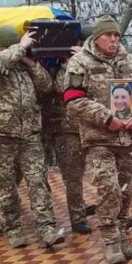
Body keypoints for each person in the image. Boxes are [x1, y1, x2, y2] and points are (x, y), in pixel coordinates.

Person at [65, 16, 132, 264]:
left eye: (117, 35)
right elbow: (73, 100)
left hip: (128, 140)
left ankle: (123, 237)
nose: (113, 39)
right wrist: (107, 119)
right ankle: (111, 242)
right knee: (109, 190)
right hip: (100, 141)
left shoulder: (130, 61)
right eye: (108, 35)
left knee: (126, 192)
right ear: (96, 38)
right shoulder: (80, 62)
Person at [0, 24, 60, 249]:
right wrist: (20, 48)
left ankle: (47, 227)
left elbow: (47, 85)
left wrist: (30, 62)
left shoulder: (23, 65)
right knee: (5, 186)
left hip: (29, 134)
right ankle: (12, 228)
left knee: (38, 181)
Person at [41, 50, 91, 236]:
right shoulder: (34, 58)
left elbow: (64, 86)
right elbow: (46, 86)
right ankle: (45, 219)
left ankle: (78, 216)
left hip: (67, 126)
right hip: (41, 125)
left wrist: (70, 62)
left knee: (73, 175)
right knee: (38, 175)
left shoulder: (82, 62)